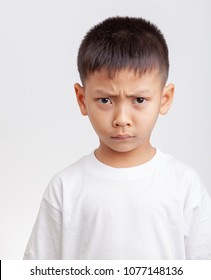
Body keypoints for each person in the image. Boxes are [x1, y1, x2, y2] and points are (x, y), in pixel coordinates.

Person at [23, 16, 211, 260]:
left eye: (139, 100)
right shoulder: (65, 188)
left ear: (165, 99)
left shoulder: (184, 185)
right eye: (105, 100)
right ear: (82, 100)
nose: (122, 118)